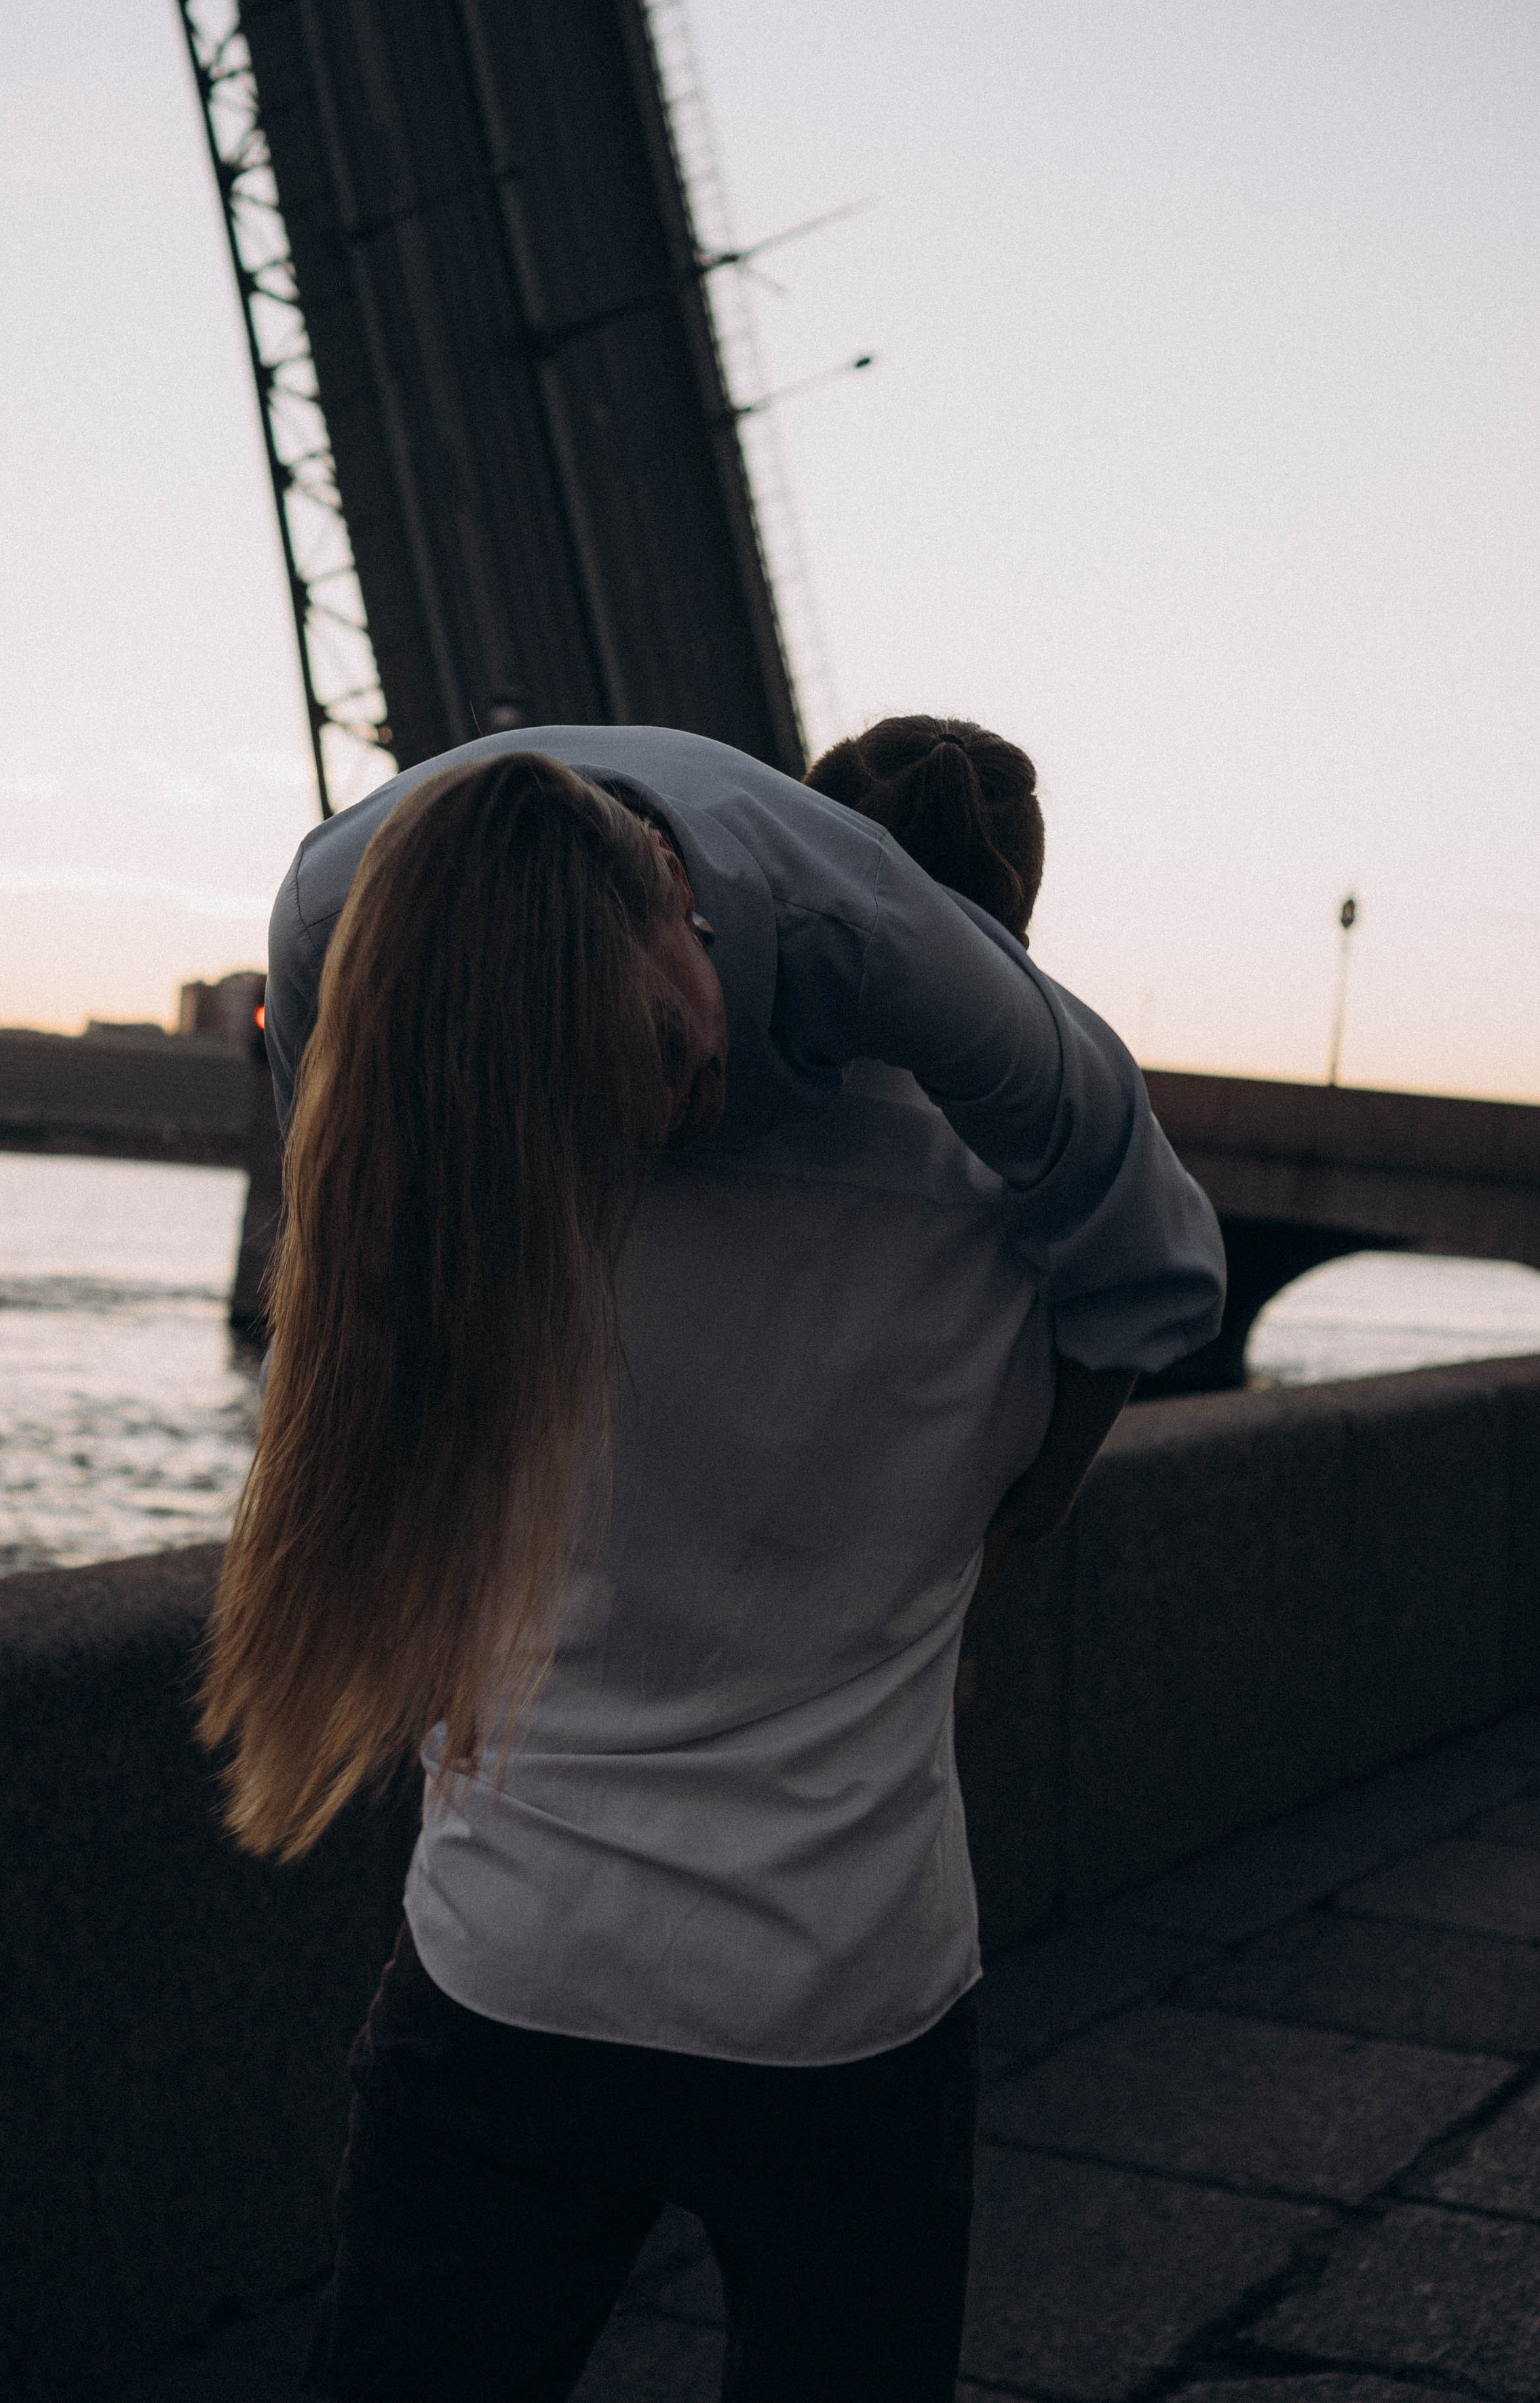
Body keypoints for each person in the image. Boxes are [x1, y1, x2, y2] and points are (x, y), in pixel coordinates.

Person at [209, 723, 1225, 2402]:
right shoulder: (1024, 1211)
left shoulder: (567, 1144)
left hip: (511, 1962)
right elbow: (1132, 1303)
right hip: (844, 1990)